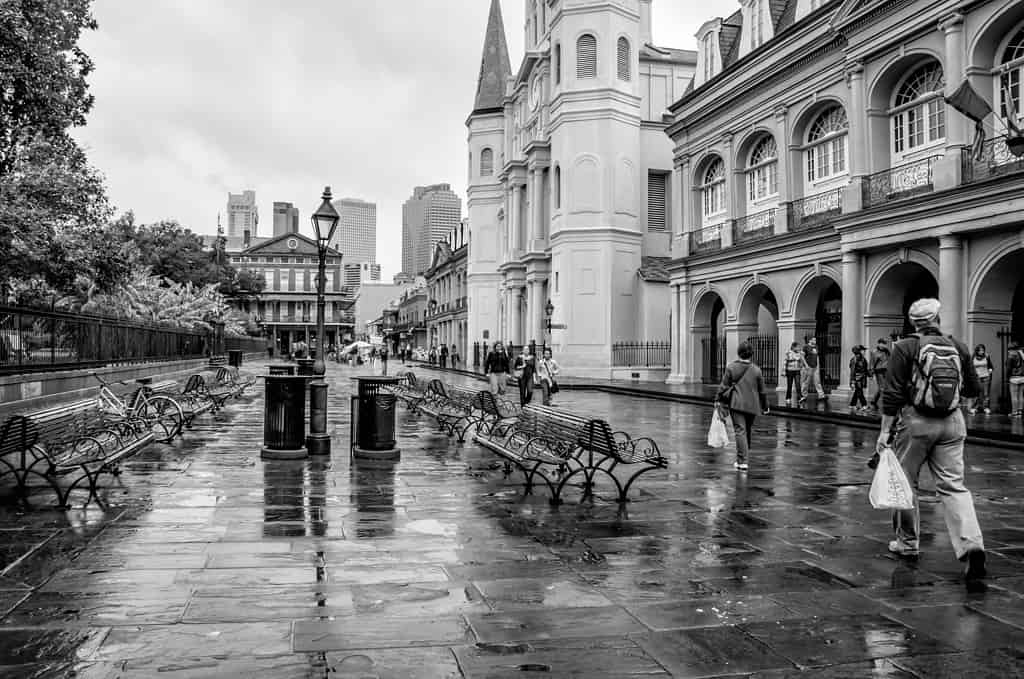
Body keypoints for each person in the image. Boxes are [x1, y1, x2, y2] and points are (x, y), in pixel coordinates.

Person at [877, 298, 986, 581]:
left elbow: (892, 393)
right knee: (954, 487)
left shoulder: (904, 347)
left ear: (913, 322)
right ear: (937, 317)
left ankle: (907, 543)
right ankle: (971, 544)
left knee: (905, 484)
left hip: (916, 423)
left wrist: (885, 431)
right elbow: (973, 388)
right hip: (952, 422)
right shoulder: (958, 347)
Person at [715, 340, 769, 471]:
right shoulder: (756, 370)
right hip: (753, 405)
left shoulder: (731, 367)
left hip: (737, 403)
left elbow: (723, 386)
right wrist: (765, 406)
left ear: (739, 353)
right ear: (751, 354)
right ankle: (744, 456)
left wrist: (718, 399)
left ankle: (743, 460)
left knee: (740, 431)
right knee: (746, 430)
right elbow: (762, 390)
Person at [970, 344, 993, 415]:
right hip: (977, 377)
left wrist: (990, 371)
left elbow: (990, 366)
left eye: (983, 350)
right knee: (977, 393)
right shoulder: (973, 357)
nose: (982, 352)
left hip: (986, 376)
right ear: (977, 351)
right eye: (980, 350)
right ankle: (975, 407)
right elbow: (971, 367)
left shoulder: (987, 356)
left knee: (986, 393)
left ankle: (986, 408)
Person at [800, 337, 825, 402]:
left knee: (817, 381)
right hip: (808, 367)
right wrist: (806, 365)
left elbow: (817, 356)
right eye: (814, 340)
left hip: (815, 367)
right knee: (806, 382)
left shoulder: (816, 346)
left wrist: (818, 365)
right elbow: (802, 357)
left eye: (815, 340)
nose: (815, 341)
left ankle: (821, 395)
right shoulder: (805, 347)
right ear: (810, 340)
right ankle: (804, 396)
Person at [869, 338, 891, 411]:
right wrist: (871, 373)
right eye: (882, 343)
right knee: (882, 388)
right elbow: (871, 362)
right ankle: (884, 404)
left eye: (884, 344)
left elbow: (889, 360)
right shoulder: (874, 352)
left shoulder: (887, 351)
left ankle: (874, 400)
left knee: (883, 387)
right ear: (878, 343)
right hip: (879, 371)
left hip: (886, 370)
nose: (883, 345)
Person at [849, 345, 870, 413]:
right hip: (857, 379)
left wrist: (870, 375)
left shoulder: (863, 359)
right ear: (858, 351)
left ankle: (852, 404)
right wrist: (852, 382)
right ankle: (864, 405)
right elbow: (852, 371)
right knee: (859, 392)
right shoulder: (854, 360)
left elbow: (865, 369)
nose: (864, 351)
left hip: (862, 378)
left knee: (857, 392)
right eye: (863, 350)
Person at [1008, 341, 1024, 417]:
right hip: (1022, 377)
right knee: (1021, 396)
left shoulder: (1011, 356)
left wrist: (1007, 376)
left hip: (1014, 378)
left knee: (1014, 396)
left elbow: (1008, 368)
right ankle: (1020, 412)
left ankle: (1014, 412)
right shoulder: (1022, 354)